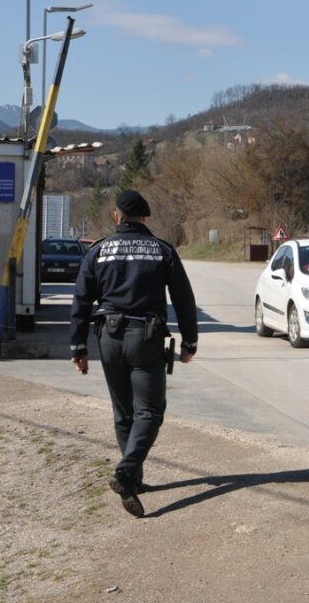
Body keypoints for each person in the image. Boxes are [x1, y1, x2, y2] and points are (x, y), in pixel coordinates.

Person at [69, 189, 199, 517]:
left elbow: (81, 301)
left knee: (124, 413)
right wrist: (190, 342)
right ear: (144, 217)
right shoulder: (162, 250)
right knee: (151, 412)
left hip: (108, 340)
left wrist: (78, 346)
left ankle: (135, 480)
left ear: (117, 216)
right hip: (145, 338)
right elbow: (183, 298)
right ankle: (126, 473)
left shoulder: (98, 250)